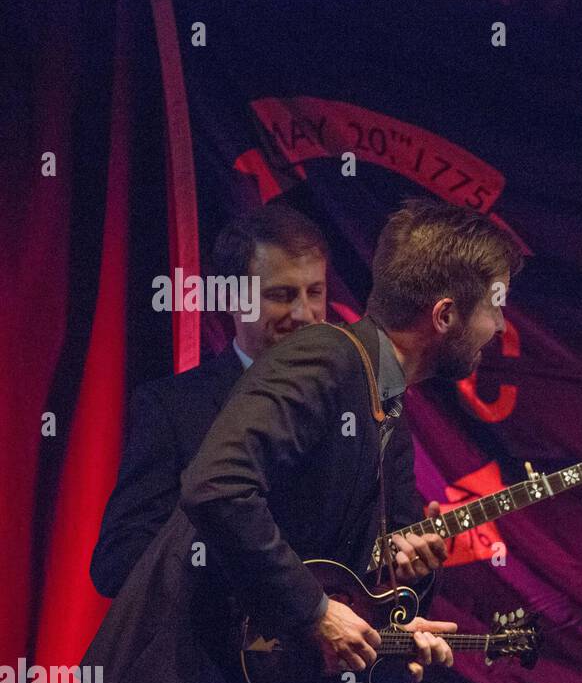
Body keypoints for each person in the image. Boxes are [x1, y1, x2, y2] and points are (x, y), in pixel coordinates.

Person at [84, 198, 521, 683]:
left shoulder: (377, 389)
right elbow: (214, 491)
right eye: (494, 309)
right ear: (444, 314)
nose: (498, 327)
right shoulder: (330, 360)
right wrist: (314, 609)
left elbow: (350, 568)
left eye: (314, 292)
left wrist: (386, 608)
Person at [90, 202, 438, 597]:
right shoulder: (172, 408)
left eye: (315, 292)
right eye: (282, 295)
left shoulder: (377, 405)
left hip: (331, 658)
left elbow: (387, 561)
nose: (305, 314)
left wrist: (412, 573)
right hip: (216, 656)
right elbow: (116, 563)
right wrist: (262, 587)